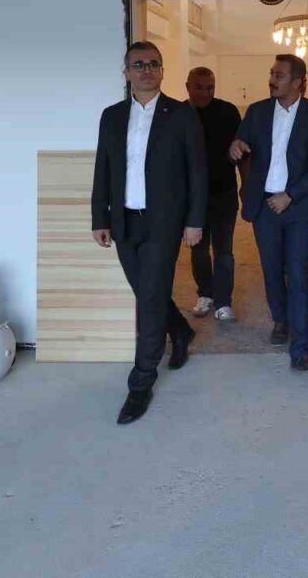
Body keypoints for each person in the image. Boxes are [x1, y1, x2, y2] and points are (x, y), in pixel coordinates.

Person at [91, 41, 207, 425]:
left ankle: (140, 383)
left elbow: (197, 172)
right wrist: (99, 217)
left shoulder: (182, 115)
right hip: (124, 222)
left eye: (153, 64)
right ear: (126, 72)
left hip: (164, 223)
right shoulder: (112, 116)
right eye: (138, 64)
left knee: (150, 302)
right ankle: (181, 332)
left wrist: (194, 221)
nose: (146, 70)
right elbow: (103, 168)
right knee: (147, 292)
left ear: (162, 70)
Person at [229, 54, 308, 373]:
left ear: (298, 82)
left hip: (298, 207)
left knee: (298, 276)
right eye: (272, 74)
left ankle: (301, 350)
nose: (272, 80)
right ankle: (280, 320)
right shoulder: (256, 111)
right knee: (272, 270)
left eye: (280, 75)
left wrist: (291, 195)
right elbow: (240, 147)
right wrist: (235, 147)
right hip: (264, 207)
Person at [184, 67, 243, 321]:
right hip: (191, 199)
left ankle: (223, 302)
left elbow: (242, 152)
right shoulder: (178, 114)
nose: (205, 93)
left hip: (224, 194)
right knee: (198, 250)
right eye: (199, 87)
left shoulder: (228, 112)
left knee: (224, 251)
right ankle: (205, 294)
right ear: (188, 87)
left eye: (210, 88)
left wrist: (245, 185)